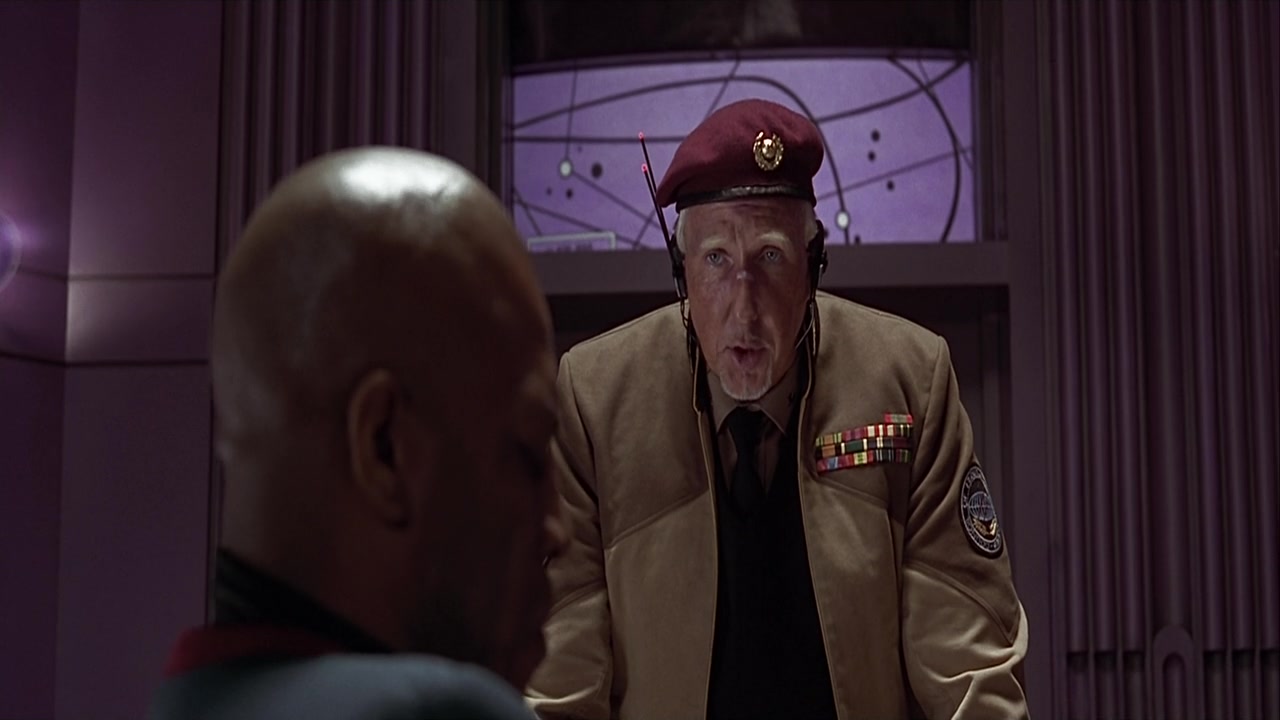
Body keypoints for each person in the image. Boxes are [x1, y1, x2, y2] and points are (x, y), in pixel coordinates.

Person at [526, 99, 1029, 719]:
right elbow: (558, 682)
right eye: (716, 260)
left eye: (770, 257)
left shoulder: (911, 381)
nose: (745, 310)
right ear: (681, 272)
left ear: (813, 267)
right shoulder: (594, 401)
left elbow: (972, 669)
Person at [150, 147, 567, 720]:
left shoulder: (180, 700)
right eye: (526, 456)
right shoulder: (441, 712)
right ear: (384, 447)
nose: (558, 530)